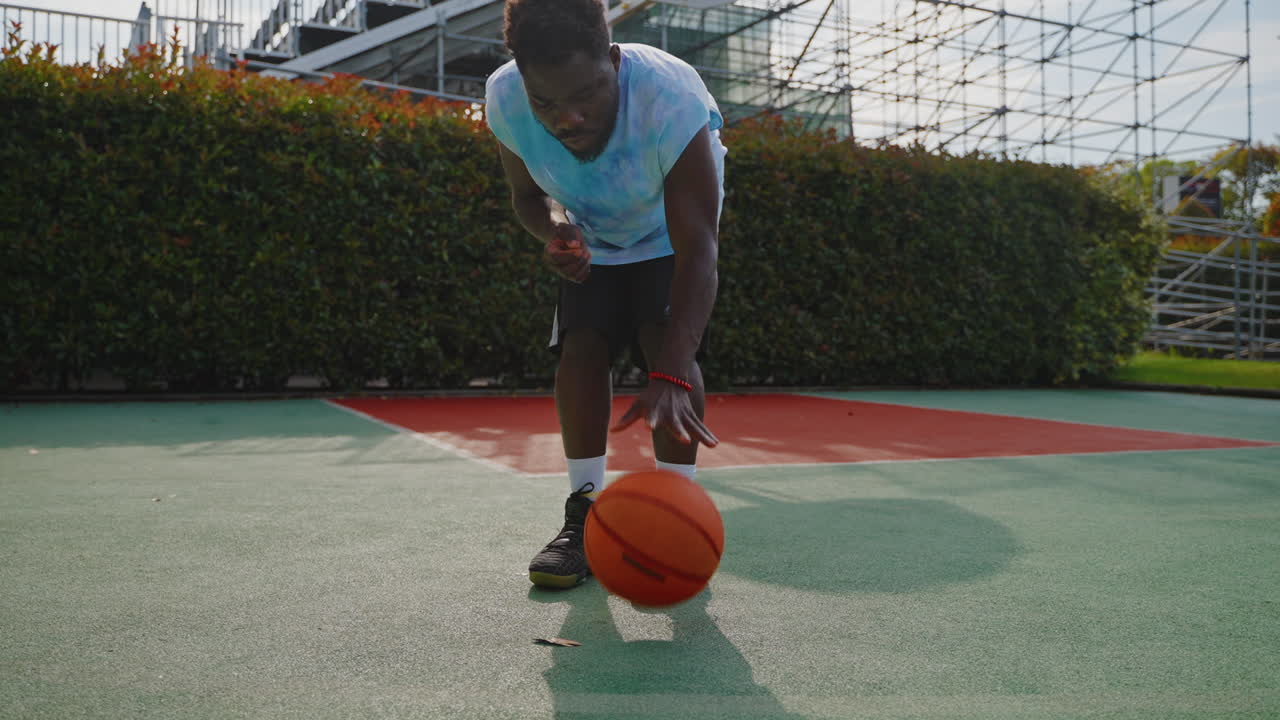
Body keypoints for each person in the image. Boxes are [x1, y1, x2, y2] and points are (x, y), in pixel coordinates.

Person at [485, 0, 727, 588]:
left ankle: (677, 509)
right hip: (596, 236)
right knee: (581, 347)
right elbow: (526, 198)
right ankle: (583, 514)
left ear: (613, 61)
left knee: (665, 347)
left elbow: (699, 249)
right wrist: (557, 233)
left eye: (587, 94)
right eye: (547, 102)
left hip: (670, 235)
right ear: (522, 80)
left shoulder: (672, 96)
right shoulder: (504, 98)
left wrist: (670, 369)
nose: (568, 118)